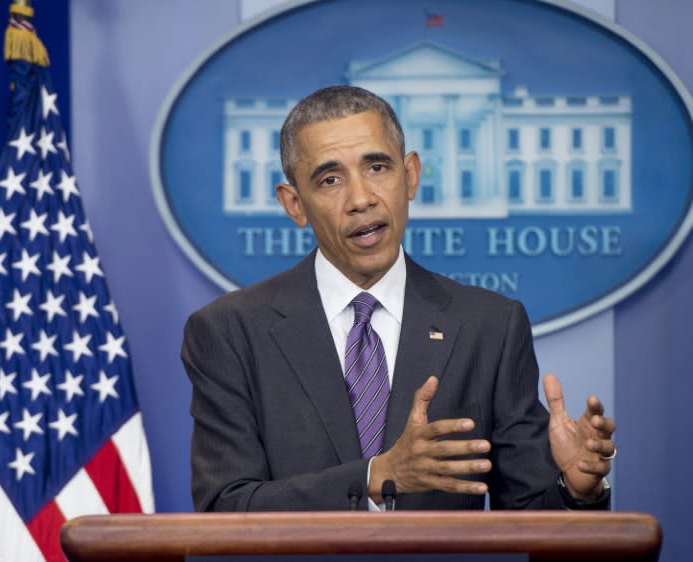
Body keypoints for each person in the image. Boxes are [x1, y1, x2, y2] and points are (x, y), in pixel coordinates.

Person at [182, 85, 616, 511]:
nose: (361, 198)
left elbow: (528, 517)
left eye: (377, 168)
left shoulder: (490, 326)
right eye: (330, 179)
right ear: (294, 204)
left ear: (410, 175)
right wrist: (373, 478)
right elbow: (226, 505)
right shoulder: (229, 332)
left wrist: (573, 489)